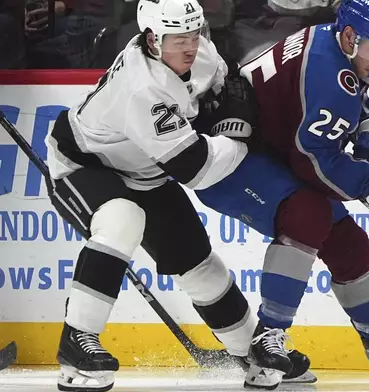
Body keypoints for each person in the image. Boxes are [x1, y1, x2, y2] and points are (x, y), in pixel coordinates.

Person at [44, 0, 312, 390]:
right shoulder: (142, 87)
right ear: (153, 40)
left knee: (199, 263)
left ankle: (250, 352)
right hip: (85, 164)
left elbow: (227, 82)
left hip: (145, 170)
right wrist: (238, 137)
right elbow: (195, 168)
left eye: (195, 33)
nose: (190, 46)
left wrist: (234, 104)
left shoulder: (197, 51)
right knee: (123, 220)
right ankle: (77, 342)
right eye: (178, 39)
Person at [193, 0, 369, 387]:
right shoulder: (331, 71)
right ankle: (267, 344)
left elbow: (321, 107)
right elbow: (311, 161)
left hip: (265, 151)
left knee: (349, 243)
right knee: (309, 214)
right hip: (228, 162)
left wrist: (366, 122)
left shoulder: (331, 41)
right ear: (349, 36)